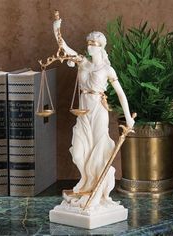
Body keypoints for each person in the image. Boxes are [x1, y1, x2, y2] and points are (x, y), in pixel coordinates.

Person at [53, 17, 135, 208]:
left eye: (93, 45)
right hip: (83, 113)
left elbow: (121, 94)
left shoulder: (107, 69)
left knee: (99, 152)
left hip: (98, 111)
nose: (89, 48)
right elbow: (63, 46)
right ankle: (87, 186)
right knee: (79, 154)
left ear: (101, 48)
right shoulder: (82, 62)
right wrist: (56, 29)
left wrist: (129, 117)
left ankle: (97, 192)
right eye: (88, 44)